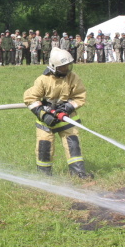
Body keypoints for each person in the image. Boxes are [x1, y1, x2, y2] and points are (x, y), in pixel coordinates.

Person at [23, 48, 90, 178]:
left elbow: (80, 96)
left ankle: (78, 173)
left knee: (73, 144)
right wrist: (43, 115)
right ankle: (44, 175)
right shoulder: (43, 80)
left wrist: (68, 107)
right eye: (63, 67)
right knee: (44, 146)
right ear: (54, 67)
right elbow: (30, 98)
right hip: (46, 121)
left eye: (68, 66)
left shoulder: (73, 78)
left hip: (67, 119)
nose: (67, 69)